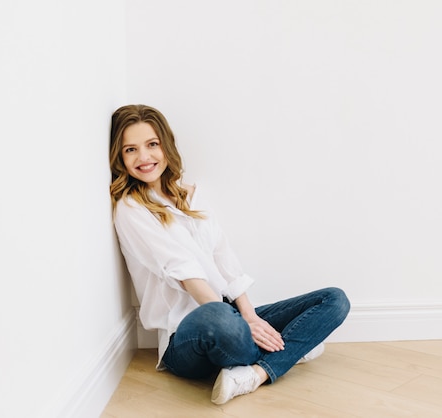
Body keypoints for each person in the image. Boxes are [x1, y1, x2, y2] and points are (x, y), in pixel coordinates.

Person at [109, 104, 350, 405]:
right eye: (130, 149)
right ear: (119, 157)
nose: (144, 157)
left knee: (334, 299)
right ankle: (291, 348)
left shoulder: (191, 194)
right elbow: (184, 272)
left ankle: (256, 373)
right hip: (187, 336)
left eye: (152, 144)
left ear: (166, 145)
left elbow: (224, 260)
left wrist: (249, 316)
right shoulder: (131, 209)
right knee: (220, 316)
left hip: (231, 316)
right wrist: (239, 321)